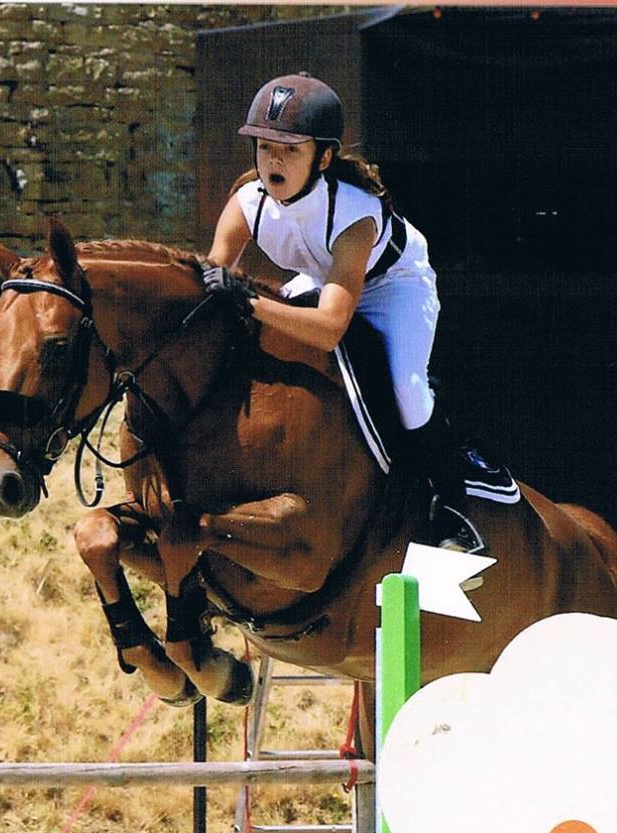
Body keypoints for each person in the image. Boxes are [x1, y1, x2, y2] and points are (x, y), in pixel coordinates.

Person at [202, 72, 489, 558]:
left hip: (394, 286)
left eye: (291, 150)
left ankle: (454, 508)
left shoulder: (356, 213)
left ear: (325, 157)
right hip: (323, 276)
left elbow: (331, 327)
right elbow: (214, 281)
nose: (274, 160)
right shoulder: (246, 204)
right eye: (266, 146)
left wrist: (250, 301)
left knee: (406, 387)